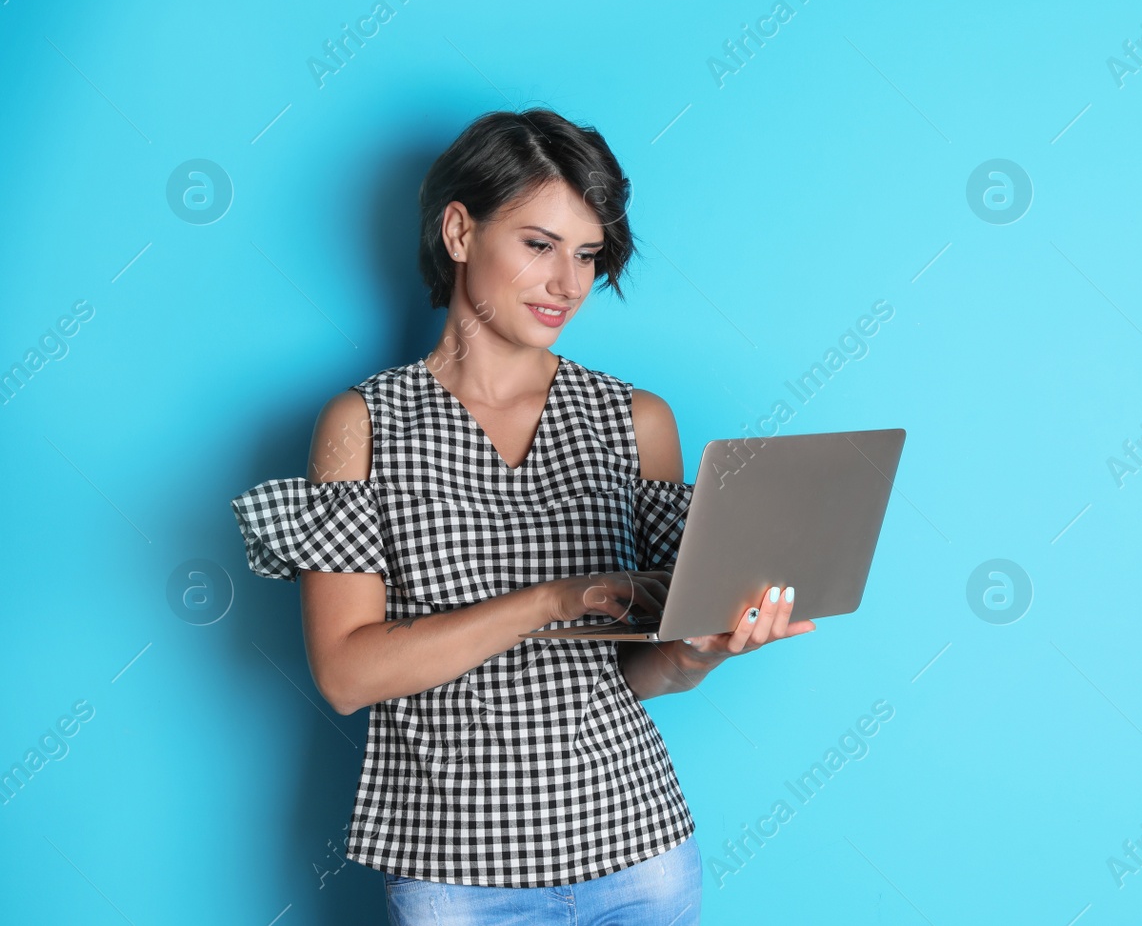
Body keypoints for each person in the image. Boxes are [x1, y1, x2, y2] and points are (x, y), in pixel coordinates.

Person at [230, 108, 813, 925]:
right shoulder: (363, 424)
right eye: (539, 244)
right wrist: (551, 599)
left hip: (638, 852)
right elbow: (348, 672)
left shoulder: (636, 420)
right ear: (461, 231)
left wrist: (700, 651)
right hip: (456, 875)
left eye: (586, 254)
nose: (568, 284)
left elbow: (639, 673)